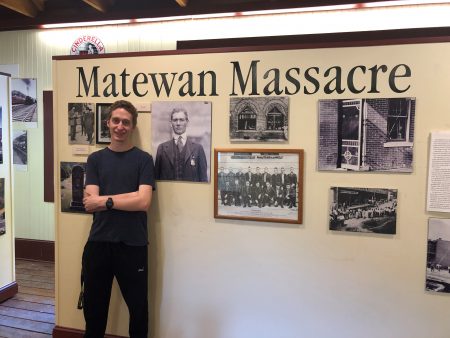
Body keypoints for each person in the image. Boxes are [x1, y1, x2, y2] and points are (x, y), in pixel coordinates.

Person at [82, 100, 156, 338]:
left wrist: (107, 200)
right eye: (116, 121)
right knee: (94, 314)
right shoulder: (95, 160)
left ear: (133, 126)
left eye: (126, 122)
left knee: (138, 312)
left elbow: (144, 203)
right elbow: (90, 203)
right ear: (108, 123)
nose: (120, 126)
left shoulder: (144, 160)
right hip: (98, 245)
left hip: (132, 246)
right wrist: (129, 196)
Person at [155, 108, 207, 182]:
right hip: (169, 193)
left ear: (187, 122)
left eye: (181, 120)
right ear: (171, 123)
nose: (178, 123)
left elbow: (203, 179)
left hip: (191, 192)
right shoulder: (162, 148)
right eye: (175, 120)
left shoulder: (198, 149)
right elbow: (157, 179)